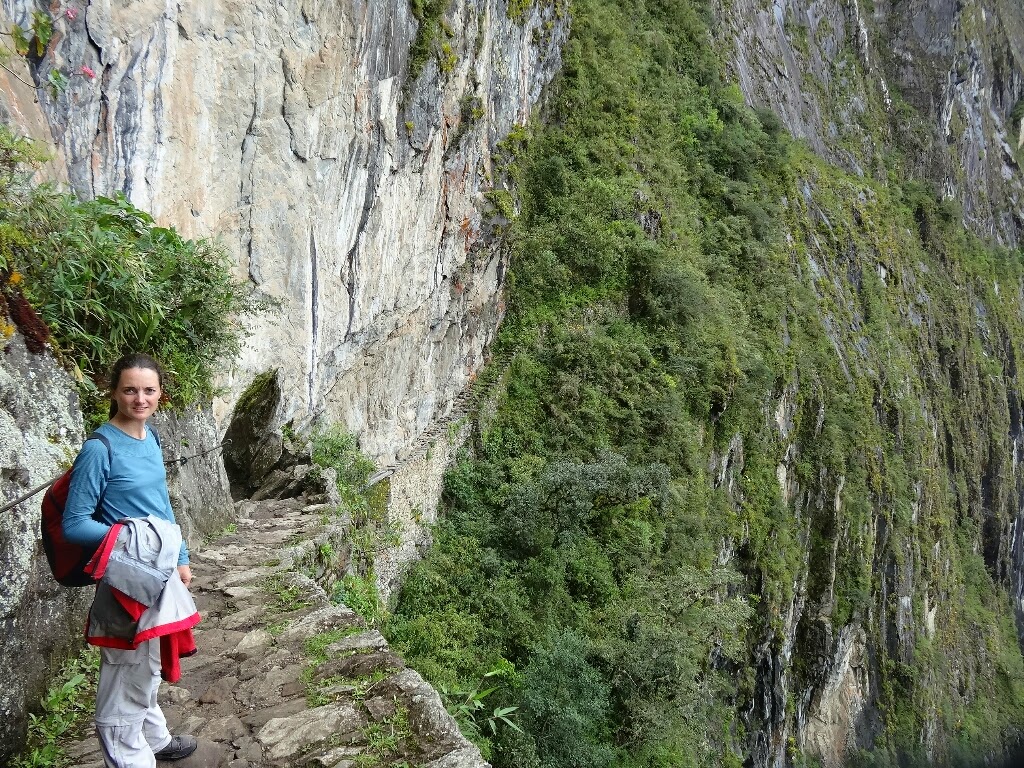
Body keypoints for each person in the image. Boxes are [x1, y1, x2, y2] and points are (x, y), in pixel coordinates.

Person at [63, 353, 198, 766]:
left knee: (148, 660)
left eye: (148, 390)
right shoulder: (99, 448)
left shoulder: (149, 437)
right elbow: (74, 524)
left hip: (159, 569)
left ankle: (153, 739)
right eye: (130, 390)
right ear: (114, 392)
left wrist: (179, 555)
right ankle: (128, 755)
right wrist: (132, 538)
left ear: (160, 394)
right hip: (127, 578)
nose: (140, 399)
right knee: (126, 666)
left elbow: (160, 504)